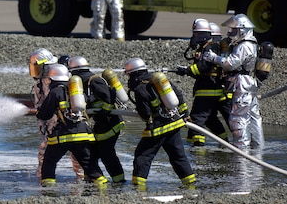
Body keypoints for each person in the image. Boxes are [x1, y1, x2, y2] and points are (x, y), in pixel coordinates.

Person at [124, 57, 196, 187]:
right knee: (178, 156)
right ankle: (190, 184)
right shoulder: (158, 80)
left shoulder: (140, 89)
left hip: (158, 128)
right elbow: (178, 95)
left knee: (142, 156)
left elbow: (145, 113)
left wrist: (146, 117)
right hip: (174, 123)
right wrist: (185, 114)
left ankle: (138, 186)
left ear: (132, 74)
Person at [36, 63, 107, 187]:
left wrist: (39, 112)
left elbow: (44, 114)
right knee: (89, 164)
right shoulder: (77, 91)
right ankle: (102, 186)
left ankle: (49, 189)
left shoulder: (55, 91)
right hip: (82, 134)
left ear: (52, 79)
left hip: (63, 135)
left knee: (49, 162)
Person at [202, 13, 264, 148]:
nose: (231, 33)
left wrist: (213, 58)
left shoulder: (244, 46)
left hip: (242, 84)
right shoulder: (251, 43)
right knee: (253, 118)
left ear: (242, 30)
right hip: (249, 83)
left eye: (234, 30)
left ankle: (241, 152)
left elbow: (230, 64)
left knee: (238, 118)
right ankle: (258, 150)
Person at [67, 56, 126, 183]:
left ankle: (119, 181)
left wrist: (105, 111)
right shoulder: (84, 81)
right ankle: (92, 177)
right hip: (101, 123)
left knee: (107, 153)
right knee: (92, 152)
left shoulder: (93, 81)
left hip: (110, 123)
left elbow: (109, 96)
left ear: (76, 71)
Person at [29, 49, 83, 179]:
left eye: (37, 67)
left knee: (76, 154)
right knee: (44, 153)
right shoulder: (39, 83)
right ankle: (43, 178)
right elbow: (40, 106)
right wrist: (42, 125)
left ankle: (82, 180)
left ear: (45, 65)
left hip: (68, 124)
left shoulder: (59, 77)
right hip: (52, 126)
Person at [176, 18, 229, 146]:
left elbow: (204, 67)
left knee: (196, 120)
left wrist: (187, 71)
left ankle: (198, 152)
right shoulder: (205, 47)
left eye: (196, 33)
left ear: (203, 34)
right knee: (210, 119)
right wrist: (187, 71)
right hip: (207, 88)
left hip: (208, 90)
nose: (194, 36)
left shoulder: (211, 47)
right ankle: (224, 143)